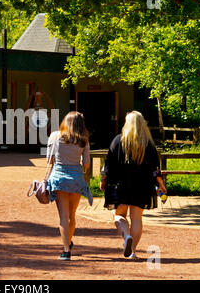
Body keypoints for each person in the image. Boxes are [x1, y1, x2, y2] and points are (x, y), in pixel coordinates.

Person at [100, 111, 167, 259]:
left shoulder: (118, 141)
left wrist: (103, 180)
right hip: (142, 186)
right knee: (136, 219)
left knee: (119, 216)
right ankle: (133, 251)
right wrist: (161, 185)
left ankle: (126, 237)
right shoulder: (148, 144)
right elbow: (155, 169)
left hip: (119, 185)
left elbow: (108, 164)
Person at [47, 111, 93, 261]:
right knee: (72, 216)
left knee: (63, 217)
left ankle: (66, 250)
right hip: (76, 180)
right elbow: (86, 164)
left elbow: (50, 160)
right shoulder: (84, 140)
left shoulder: (55, 136)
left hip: (59, 179)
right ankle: (68, 242)